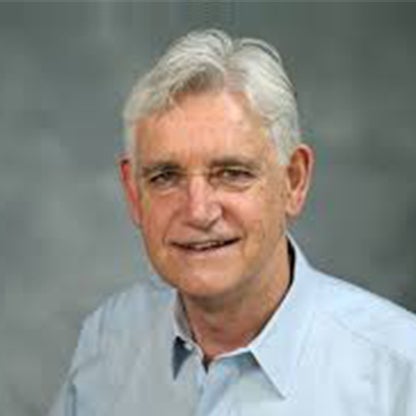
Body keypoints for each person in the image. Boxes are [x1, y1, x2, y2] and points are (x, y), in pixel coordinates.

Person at [49, 29, 416, 415]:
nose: (198, 211)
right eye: (165, 177)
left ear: (293, 181)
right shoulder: (108, 338)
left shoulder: (399, 374)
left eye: (232, 173)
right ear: (133, 193)